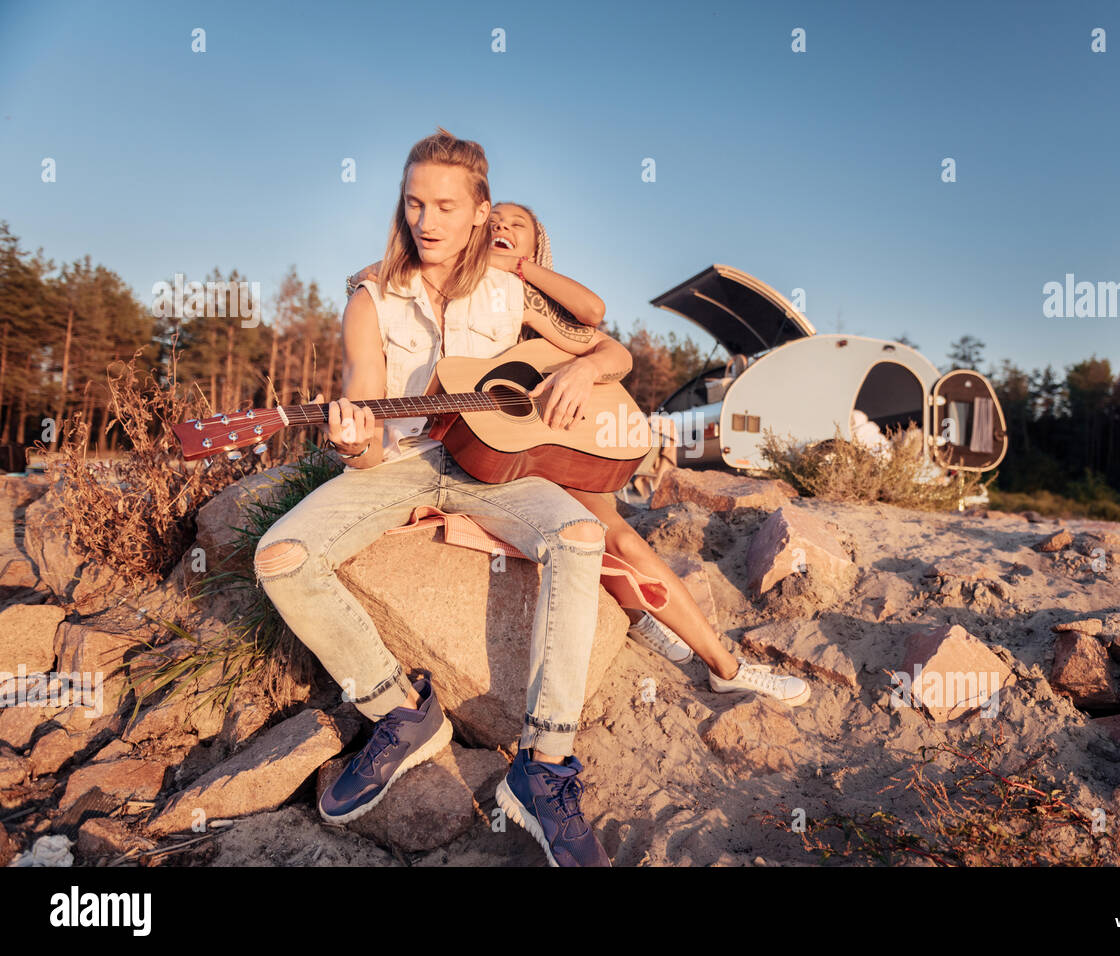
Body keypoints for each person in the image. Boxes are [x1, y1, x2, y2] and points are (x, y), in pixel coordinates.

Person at [256, 129, 633, 867]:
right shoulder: (370, 298)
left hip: (495, 467)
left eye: (445, 206)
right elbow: (364, 417)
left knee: (580, 538)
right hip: (401, 463)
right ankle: (400, 710)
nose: (426, 221)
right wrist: (353, 441)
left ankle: (543, 767)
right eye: (414, 203)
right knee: (282, 557)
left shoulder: (512, 291)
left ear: (480, 213)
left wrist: (581, 376)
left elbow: (611, 347)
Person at [348, 203, 810, 707]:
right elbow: (369, 279)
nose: (501, 227)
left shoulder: (529, 302)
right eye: (493, 221)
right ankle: (639, 617)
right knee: (608, 540)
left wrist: (582, 370)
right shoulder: (455, 293)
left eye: (515, 225)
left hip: (549, 447)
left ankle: (725, 665)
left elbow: (607, 338)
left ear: (536, 247)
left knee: (622, 539)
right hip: (481, 455)